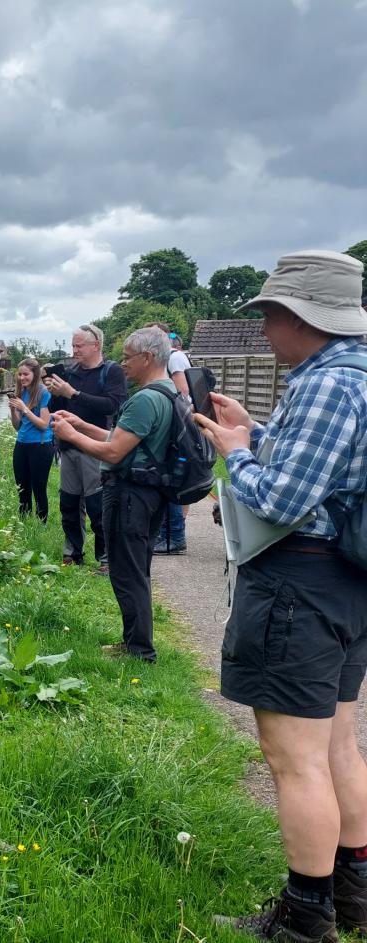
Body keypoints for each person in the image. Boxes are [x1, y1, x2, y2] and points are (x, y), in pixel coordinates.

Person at [195, 250, 367, 942]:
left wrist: (235, 454)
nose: (264, 329)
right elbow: (324, 471)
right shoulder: (350, 375)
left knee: (293, 758)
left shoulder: (328, 387)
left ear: (303, 317)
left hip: (300, 584)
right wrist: (257, 433)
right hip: (346, 585)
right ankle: (355, 894)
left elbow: (283, 497)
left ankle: (304, 919)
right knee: (338, 746)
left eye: (269, 314)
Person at [51, 327, 176, 663]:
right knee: (136, 569)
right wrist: (80, 424)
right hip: (150, 494)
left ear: (147, 358)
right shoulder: (167, 393)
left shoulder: (145, 398)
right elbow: (120, 437)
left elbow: (113, 452)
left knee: (127, 573)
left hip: (130, 496)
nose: (123, 365)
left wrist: (70, 436)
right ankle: (134, 642)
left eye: (128, 358)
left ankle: (139, 651)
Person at [44, 324, 128, 570]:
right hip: (68, 446)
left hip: (96, 446)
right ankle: (72, 553)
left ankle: (105, 558)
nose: (75, 350)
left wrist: (73, 393)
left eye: (79, 345)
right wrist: (56, 392)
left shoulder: (111, 372)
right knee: (68, 503)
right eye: (73, 345)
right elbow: (56, 407)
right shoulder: (71, 372)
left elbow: (112, 406)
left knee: (97, 504)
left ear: (96, 345)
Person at [146, 322, 192, 555]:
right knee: (167, 480)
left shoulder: (174, 358)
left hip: (177, 426)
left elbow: (182, 392)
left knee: (171, 482)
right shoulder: (173, 358)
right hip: (176, 424)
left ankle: (174, 537)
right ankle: (168, 536)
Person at [8, 358, 54, 521]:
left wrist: (25, 409)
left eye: (25, 374)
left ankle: (41, 524)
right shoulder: (22, 392)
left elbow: (43, 425)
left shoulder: (44, 393)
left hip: (40, 446)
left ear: (35, 374)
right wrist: (14, 411)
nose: (22, 378)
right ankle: (24, 523)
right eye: (19, 374)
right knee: (22, 487)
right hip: (21, 444)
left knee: (38, 488)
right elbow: (17, 426)